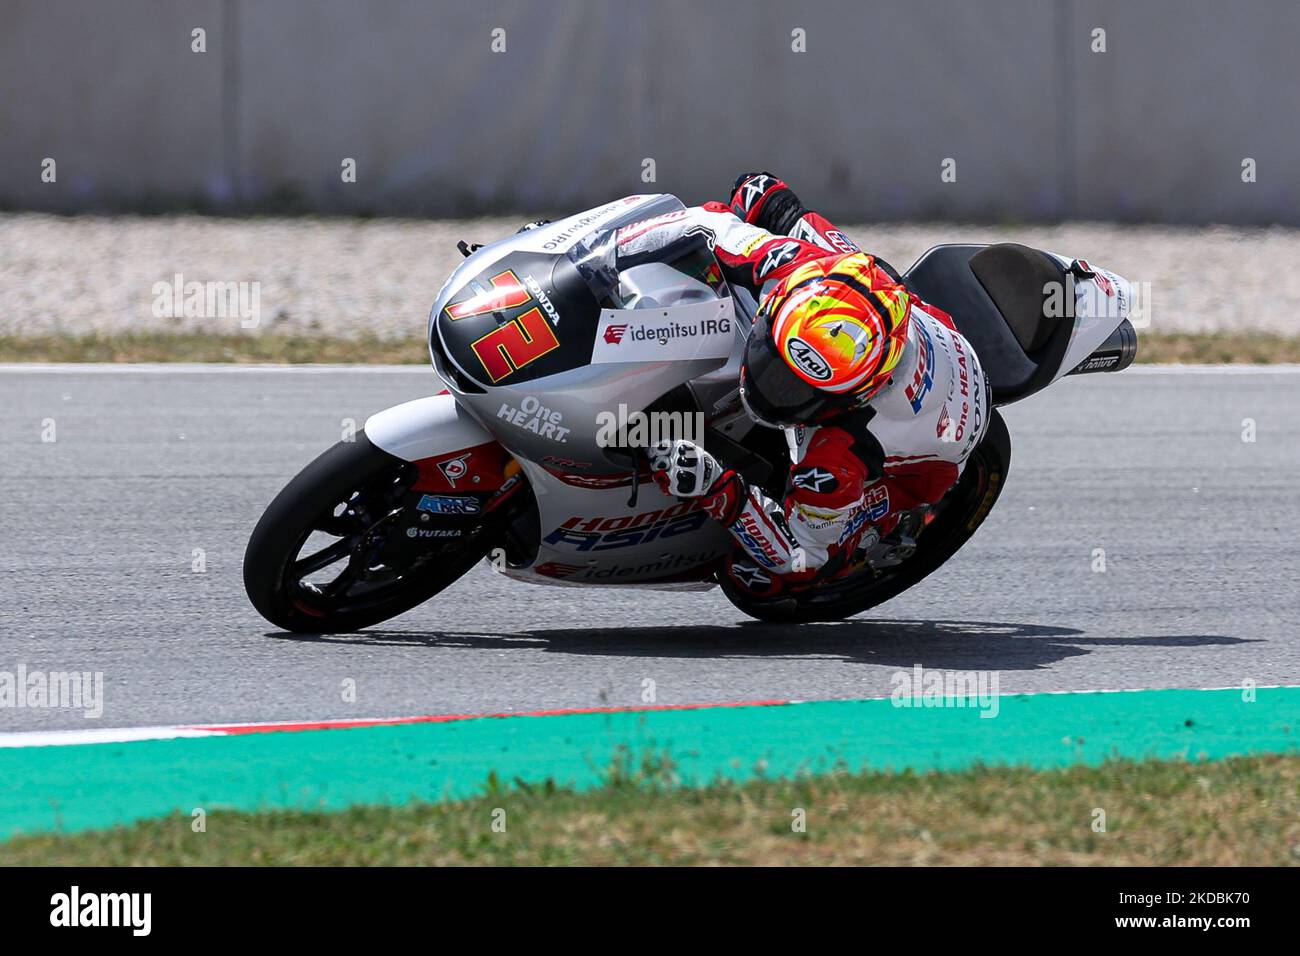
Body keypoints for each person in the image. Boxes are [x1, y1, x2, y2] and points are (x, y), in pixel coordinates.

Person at [639, 173, 991, 597]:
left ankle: (885, 527)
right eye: (772, 363)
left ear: (850, 400)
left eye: (797, 393)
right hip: (888, 305)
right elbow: (699, 222)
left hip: (928, 455)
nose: (772, 390)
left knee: (757, 578)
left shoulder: (843, 449)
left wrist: (718, 489)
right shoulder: (796, 268)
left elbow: (802, 556)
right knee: (758, 195)